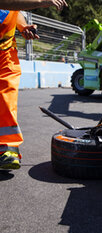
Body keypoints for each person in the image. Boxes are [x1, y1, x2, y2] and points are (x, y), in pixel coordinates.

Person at [0, 0, 67, 170]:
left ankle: (6, 149)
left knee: (6, 99)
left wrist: (23, 27)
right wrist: (41, 2)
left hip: (5, 51)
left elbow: (13, 11)